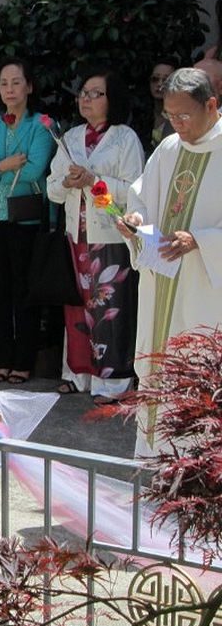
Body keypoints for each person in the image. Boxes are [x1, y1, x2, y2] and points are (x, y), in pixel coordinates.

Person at [115, 67, 222, 457]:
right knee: (157, 366)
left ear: (212, 105)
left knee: (198, 374)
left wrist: (202, 241)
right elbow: (142, 197)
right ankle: (151, 463)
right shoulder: (169, 148)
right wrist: (136, 221)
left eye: (184, 116)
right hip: (162, 285)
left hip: (205, 293)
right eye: (170, 116)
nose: (177, 124)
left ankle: (200, 480)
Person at [46, 67, 144, 404]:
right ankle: (79, 373)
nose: (86, 99)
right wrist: (68, 183)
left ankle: (114, 380)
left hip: (111, 235)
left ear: (112, 99)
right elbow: (52, 190)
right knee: (77, 307)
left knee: (110, 306)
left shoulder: (124, 137)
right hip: (77, 234)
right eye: (84, 93)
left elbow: (133, 191)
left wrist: (93, 182)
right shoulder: (71, 137)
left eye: (95, 93)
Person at [0, 58, 58, 385]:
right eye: (4, 83)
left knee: (25, 289)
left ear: (29, 86)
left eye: (16, 82)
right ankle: (3, 358)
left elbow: (35, 169)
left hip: (27, 217)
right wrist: (4, 165)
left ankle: (24, 360)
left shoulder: (42, 125)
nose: (9, 89)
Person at [143, 57, 178, 155]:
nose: (160, 84)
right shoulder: (139, 113)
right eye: (155, 79)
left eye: (166, 80)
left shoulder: (180, 116)